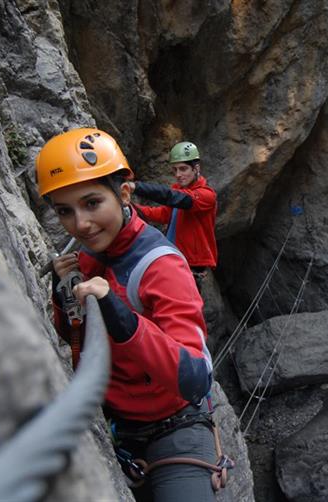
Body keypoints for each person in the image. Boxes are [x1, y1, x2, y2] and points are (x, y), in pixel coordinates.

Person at [36, 128, 221, 501]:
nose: (80, 224)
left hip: (174, 430)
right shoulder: (88, 259)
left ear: (122, 194)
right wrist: (63, 294)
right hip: (119, 424)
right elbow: (75, 336)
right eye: (64, 211)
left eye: (91, 203)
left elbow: (196, 376)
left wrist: (124, 319)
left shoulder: (161, 267)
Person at [132, 141, 217, 292]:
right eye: (175, 170)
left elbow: (176, 198)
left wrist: (135, 187)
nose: (178, 175)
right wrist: (132, 208)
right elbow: (164, 214)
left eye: (183, 169)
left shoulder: (206, 195)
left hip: (190, 264)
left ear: (196, 168)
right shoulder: (178, 190)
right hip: (173, 256)